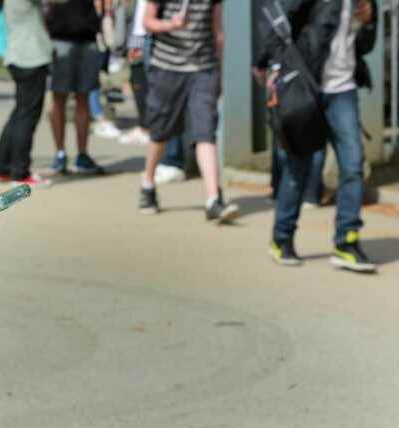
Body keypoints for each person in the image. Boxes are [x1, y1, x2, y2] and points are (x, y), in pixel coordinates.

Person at [255, 0, 378, 272]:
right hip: (308, 86)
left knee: (353, 164)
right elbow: (281, 24)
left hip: (342, 89)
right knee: (299, 166)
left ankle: (346, 242)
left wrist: (368, 22)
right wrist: (271, 65)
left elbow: (365, 46)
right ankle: (282, 238)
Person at [138, 0, 238, 222]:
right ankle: (147, 183)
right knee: (160, 132)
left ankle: (213, 199)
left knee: (206, 130)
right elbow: (147, 22)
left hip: (203, 68)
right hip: (167, 67)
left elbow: (218, 31)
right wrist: (170, 25)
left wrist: (219, 73)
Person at [121, 0, 187, 185]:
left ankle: (173, 161)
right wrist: (135, 41)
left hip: (168, 38)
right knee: (157, 103)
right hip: (147, 37)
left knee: (169, 100)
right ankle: (164, 161)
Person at [0, 0, 53, 187]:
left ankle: (0, 168)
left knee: (20, 113)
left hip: (19, 55)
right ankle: (20, 173)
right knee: (27, 116)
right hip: (30, 57)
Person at [46, 0, 106, 175]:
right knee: (58, 99)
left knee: (83, 98)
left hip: (87, 35)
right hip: (60, 36)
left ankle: (82, 154)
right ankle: (60, 153)